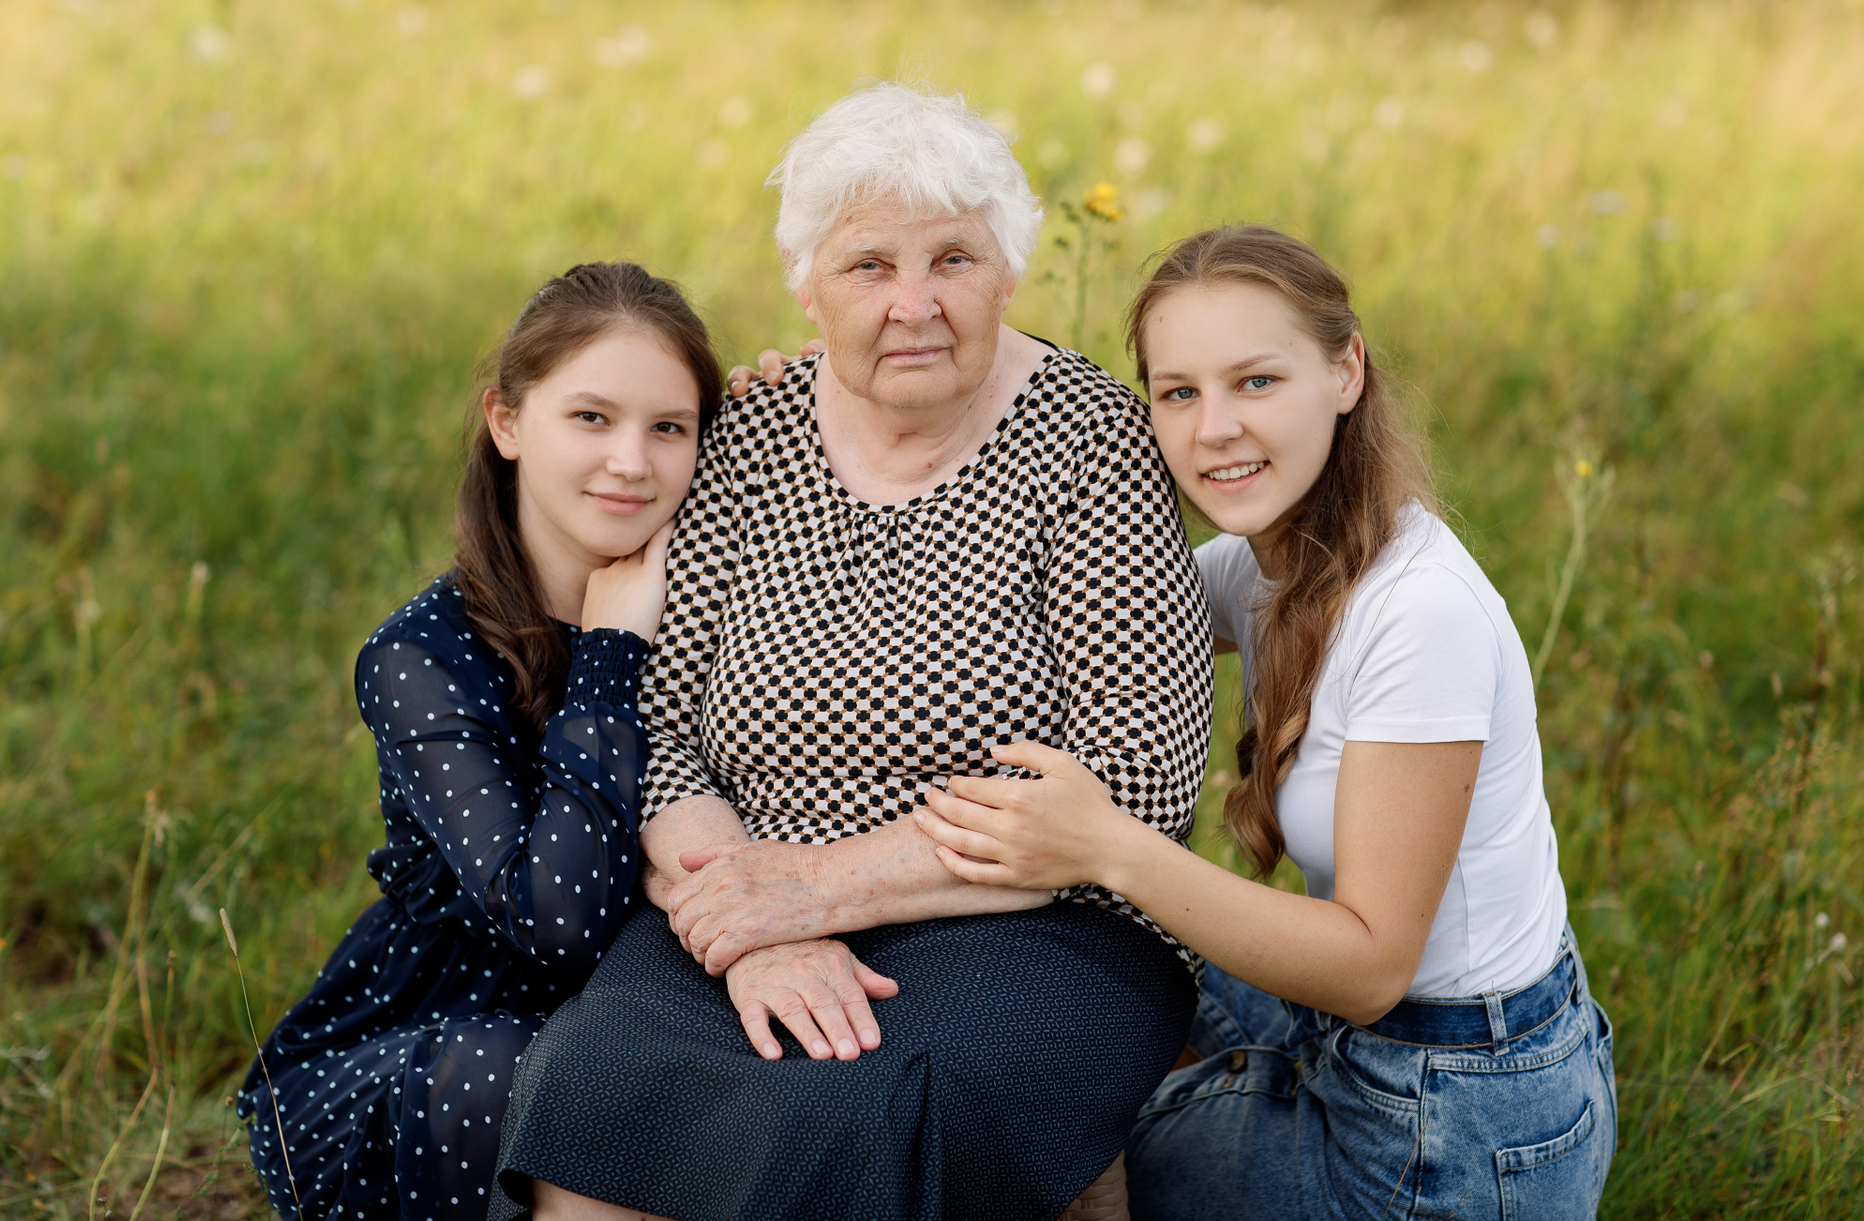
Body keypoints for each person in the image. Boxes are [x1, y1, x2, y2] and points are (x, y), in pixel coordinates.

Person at [491, 84, 1216, 1221]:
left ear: (1009, 272)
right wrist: (751, 932)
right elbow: (661, 732)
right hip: (735, 890)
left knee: (859, 1115)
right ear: (804, 281)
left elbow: (1139, 780)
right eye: (869, 265)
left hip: (1038, 923)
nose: (913, 304)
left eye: (954, 260)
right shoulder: (745, 436)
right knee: (598, 1086)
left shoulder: (1093, 443)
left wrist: (816, 887)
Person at [908, 225, 1618, 1219]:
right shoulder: (1268, 561)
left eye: (1256, 381)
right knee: (1081, 999)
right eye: (1179, 393)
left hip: (1451, 1116)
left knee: (1056, 1155)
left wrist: (1107, 847)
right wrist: (845, 393)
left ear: (1346, 370)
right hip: (1365, 1036)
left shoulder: (1420, 612)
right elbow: (1034, 620)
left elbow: (1369, 967)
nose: (1215, 429)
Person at [237, 262, 724, 1221]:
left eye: (669, 427)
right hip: (437, 1051)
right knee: (531, 1072)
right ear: (507, 422)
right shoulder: (421, 658)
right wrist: (609, 656)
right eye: (591, 417)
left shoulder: (717, 598)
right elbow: (560, 924)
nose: (632, 461)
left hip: (637, 1012)